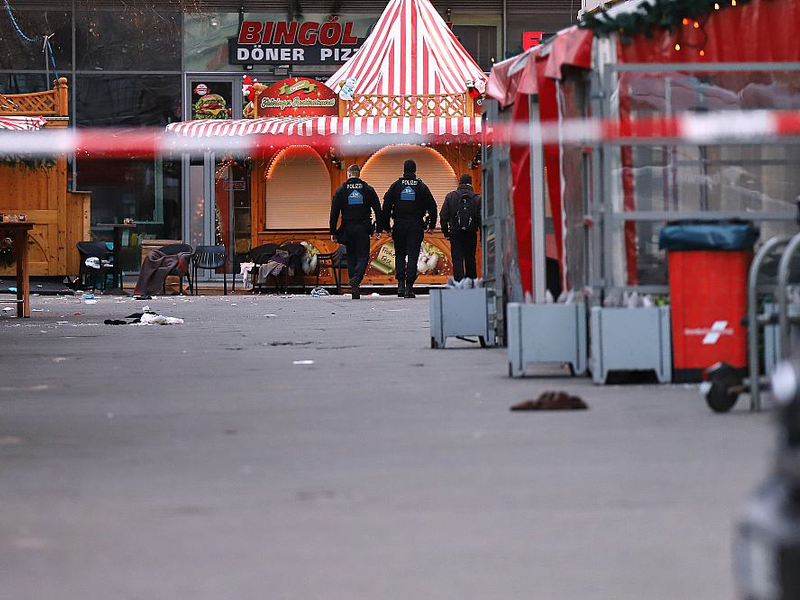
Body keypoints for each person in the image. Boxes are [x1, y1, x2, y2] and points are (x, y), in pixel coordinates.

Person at [382, 159, 437, 298]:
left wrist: (386, 227)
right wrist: (431, 225)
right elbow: (432, 207)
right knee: (413, 255)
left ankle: (400, 285)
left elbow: (386, 206)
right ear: (415, 170)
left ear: (404, 170)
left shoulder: (396, 186)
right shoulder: (421, 186)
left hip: (399, 224)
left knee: (400, 254)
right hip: (415, 224)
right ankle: (408, 288)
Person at [329, 164, 382, 299]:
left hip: (347, 228)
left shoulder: (341, 190)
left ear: (348, 174)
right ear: (358, 174)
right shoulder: (367, 189)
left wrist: (333, 232)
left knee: (352, 256)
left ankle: (354, 287)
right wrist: (379, 229)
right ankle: (357, 279)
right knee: (363, 255)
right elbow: (378, 209)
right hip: (363, 227)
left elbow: (334, 212)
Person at [440, 173, 481, 282]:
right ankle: (471, 284)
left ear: (460, 183)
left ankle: (459, 284)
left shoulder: (451, 196)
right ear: (471, 183)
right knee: (470, 258)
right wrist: (482, 237)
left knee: (457, 259)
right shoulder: (477, 198)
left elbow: (443, 216)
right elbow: (481, 218)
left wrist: (446, 233)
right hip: (471, 233)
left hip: (455, 233)